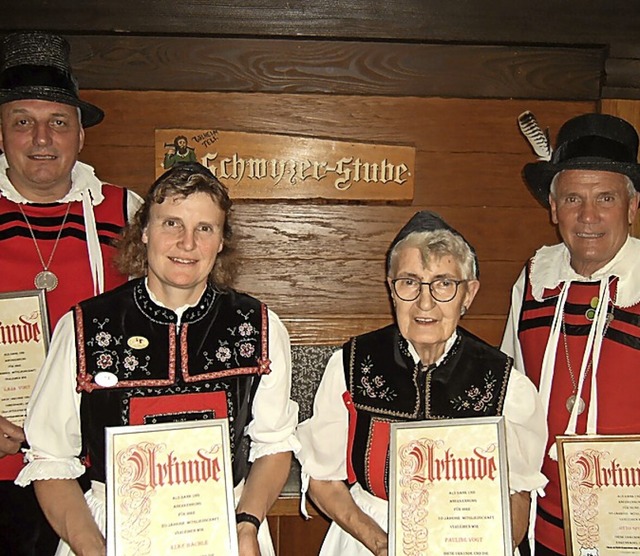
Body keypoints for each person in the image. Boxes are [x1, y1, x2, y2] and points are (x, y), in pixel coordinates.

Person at [16, 162, 299, 556]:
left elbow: (273, 446)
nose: (187, 243)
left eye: (205, 228)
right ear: (144, 231)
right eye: (171, 224)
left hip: (225, 534)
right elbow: (50, 458)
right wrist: (91, 546)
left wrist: (248, 525)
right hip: (111, 536)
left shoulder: (258, 326)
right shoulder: (84, 327)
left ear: (221, 241)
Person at [297, 211, 548, 555]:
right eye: (410, 282)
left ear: (469, 294)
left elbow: (518, 493)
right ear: (392, 289)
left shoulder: (504, 382)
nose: (425, 302)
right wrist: (380, 543)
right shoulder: (352, 364)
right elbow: (323, 479)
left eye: (444, 283)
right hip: (368, 539)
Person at [0, 31, 142, 555]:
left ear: (80, 134)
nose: (42, 138)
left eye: (57, 121)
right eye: (22, 121)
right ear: (1, 133)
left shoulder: (128, 213)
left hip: (101, 463)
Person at [501, 113, 640, 555]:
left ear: (633, 207)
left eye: (606, 198)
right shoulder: (533, 281)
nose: (588, 216)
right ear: (553, 207)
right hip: (546, 526)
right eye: (573, 198)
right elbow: (510, 400)